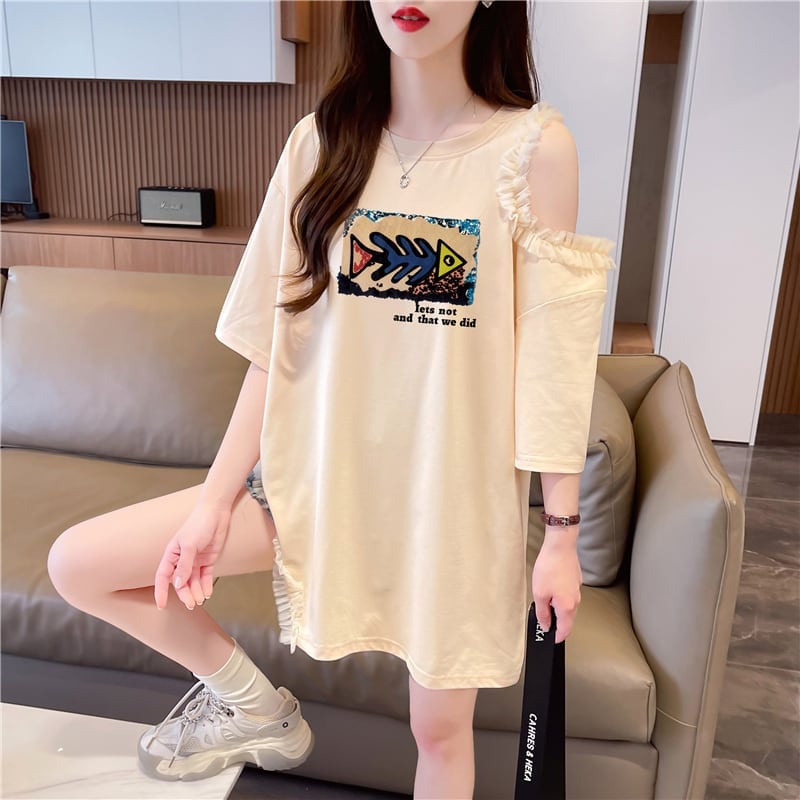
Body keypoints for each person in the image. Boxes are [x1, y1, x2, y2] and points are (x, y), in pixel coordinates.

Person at [47, 1, 617, 797]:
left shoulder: (534, 152)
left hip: (449, 512)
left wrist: (560, 533)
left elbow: (553, 367)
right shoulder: (319, 145)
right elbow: (272, 349)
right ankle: (252, 708)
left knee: (439, 733)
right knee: (78, 564)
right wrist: (213, 502)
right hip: (310, 491)